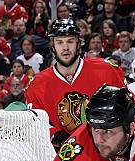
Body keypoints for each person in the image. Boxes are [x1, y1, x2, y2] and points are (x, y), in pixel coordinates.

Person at [24, 18, 125, 149]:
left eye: (70, 41)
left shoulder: (106, 70)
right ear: (52, 46)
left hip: (107, 152)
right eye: (59, 42)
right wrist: (55, 135)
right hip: (64, 156)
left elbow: (128, 107)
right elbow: (34, 122)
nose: (65, 47)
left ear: (79, 43)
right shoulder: (37, 84)